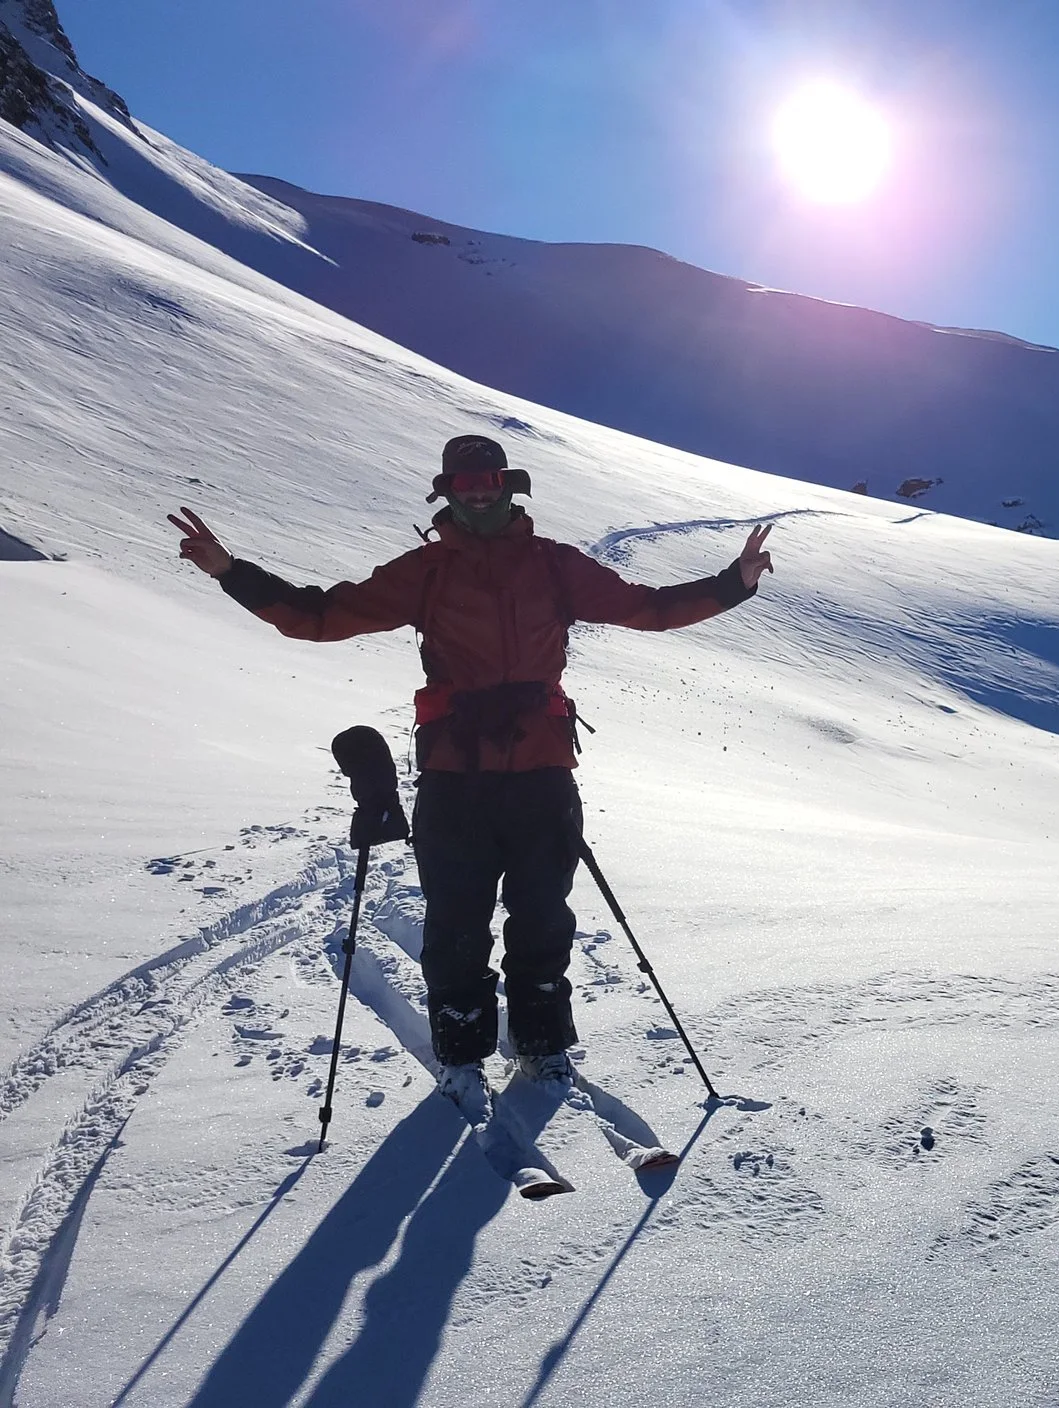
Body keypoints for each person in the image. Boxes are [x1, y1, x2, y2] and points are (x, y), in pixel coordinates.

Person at [167, 434, 773, 1120]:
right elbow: (319, 617)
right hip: (455, 777)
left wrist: (734, 584)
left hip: (543, 771)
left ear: (509, 486)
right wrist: (230, 571)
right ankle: (460, 1059)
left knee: (543, 916)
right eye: (465, 483)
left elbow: (649, 609)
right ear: (447, 492)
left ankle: (543, 1044)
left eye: (489, 481)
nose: (478, 493)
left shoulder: (555, 566)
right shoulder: (425, 572)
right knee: (456, 922)